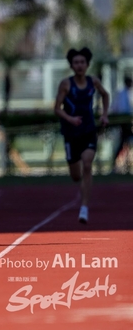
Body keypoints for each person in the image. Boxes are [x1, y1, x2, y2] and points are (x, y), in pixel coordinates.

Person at [54, 47, 109, 224]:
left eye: (82, 62)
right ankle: (81, 188)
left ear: (87, 65)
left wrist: (104, 114)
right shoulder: (66, 84)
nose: (79, 65)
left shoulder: (93, 82)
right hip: (71, 134)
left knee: (87, 165)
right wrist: (70, 119)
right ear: (71, 65)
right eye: (76, 62)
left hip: (88, 131)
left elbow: (105, 95)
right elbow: (57, 108)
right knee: (76, 176)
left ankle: (84, 207)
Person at [111, 75, 132, 172]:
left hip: (129, 122)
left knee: (126, 142)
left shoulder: (130, 93)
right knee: (123, 142)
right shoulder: (121, 93)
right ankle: (115, 164)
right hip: (124, 123)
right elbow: (116, 107)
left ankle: (127, 163)